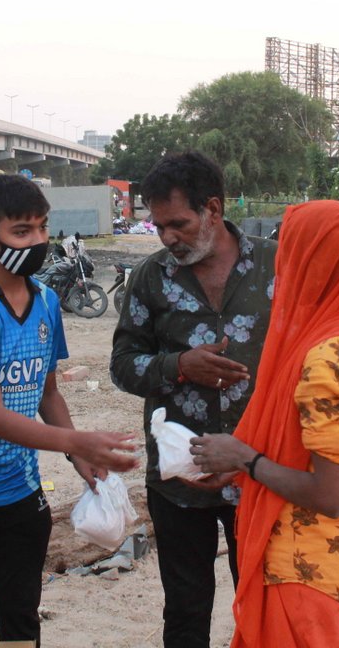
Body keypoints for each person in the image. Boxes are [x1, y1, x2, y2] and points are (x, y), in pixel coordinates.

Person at [0, 173, 137, 645]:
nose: (37, 240)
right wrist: (77, 441)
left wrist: (78, 456)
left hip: (20, 488)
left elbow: (47, 393)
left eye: (42, 227)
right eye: (21, 231)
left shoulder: (47, 302)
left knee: (21, 619)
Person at [190, 200, 339, 648]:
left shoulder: (325, 360)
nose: (283, 268)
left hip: (303, 579)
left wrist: (245, 459)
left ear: (315, 264)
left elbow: (329, 494)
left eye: (291, 254)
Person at [109, 150, 277, 648]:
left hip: (262, 472)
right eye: (159, 226)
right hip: (180, 479)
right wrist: (179, 365)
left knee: (267, 603)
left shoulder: (278, 266)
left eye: (178, 224)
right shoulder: (150, 278)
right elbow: (122, 365)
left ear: (213, 209)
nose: (167, 237)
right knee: (185, 609)